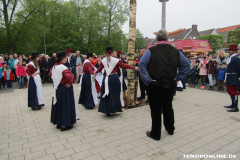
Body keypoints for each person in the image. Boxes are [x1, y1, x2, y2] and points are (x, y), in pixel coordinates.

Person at [139, 29, 189, 141]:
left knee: (155, 109)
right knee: (168, 106)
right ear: (167, 39)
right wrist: (177, 77)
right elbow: (186, 65)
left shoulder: (150, 50)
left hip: (155, 84)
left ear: (157, 39)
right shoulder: (176, 51)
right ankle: (170, 129)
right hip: (170, 84)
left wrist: (147, 79)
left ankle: (156, 133)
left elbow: (142, 64)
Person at [95, 46, 139, 116]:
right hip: (114, 79)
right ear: (111, 52)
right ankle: (114, 108)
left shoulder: (103, 60)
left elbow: (99, 69)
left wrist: (95, 72)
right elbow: (124, 66)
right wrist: (134, 67)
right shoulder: (116, 60)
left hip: (106, 79)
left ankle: (107, 110)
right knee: (114, 94)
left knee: (107, 94)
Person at [49, 51, 79, 131]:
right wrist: (69, 82)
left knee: (59, 105)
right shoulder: (63, 68)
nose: (66, 58)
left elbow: (50, 74)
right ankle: (65, 124)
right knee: (66, 105)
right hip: (65, 88)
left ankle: (59, 123)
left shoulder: (55, 66)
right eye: (66, 57)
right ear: (63, 59)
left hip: (57, 88)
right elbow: (69, 76)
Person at [224, 44, 240, 112]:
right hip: (229, 76)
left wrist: (238, 77)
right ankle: (233, 104)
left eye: (230, 50)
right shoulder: (231, 57)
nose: (229, 51)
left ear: (233, 51)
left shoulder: (236, 58)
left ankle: (236, 107)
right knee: (229, 90)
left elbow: (239, 68)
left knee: (234, 91)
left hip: (233, 76)